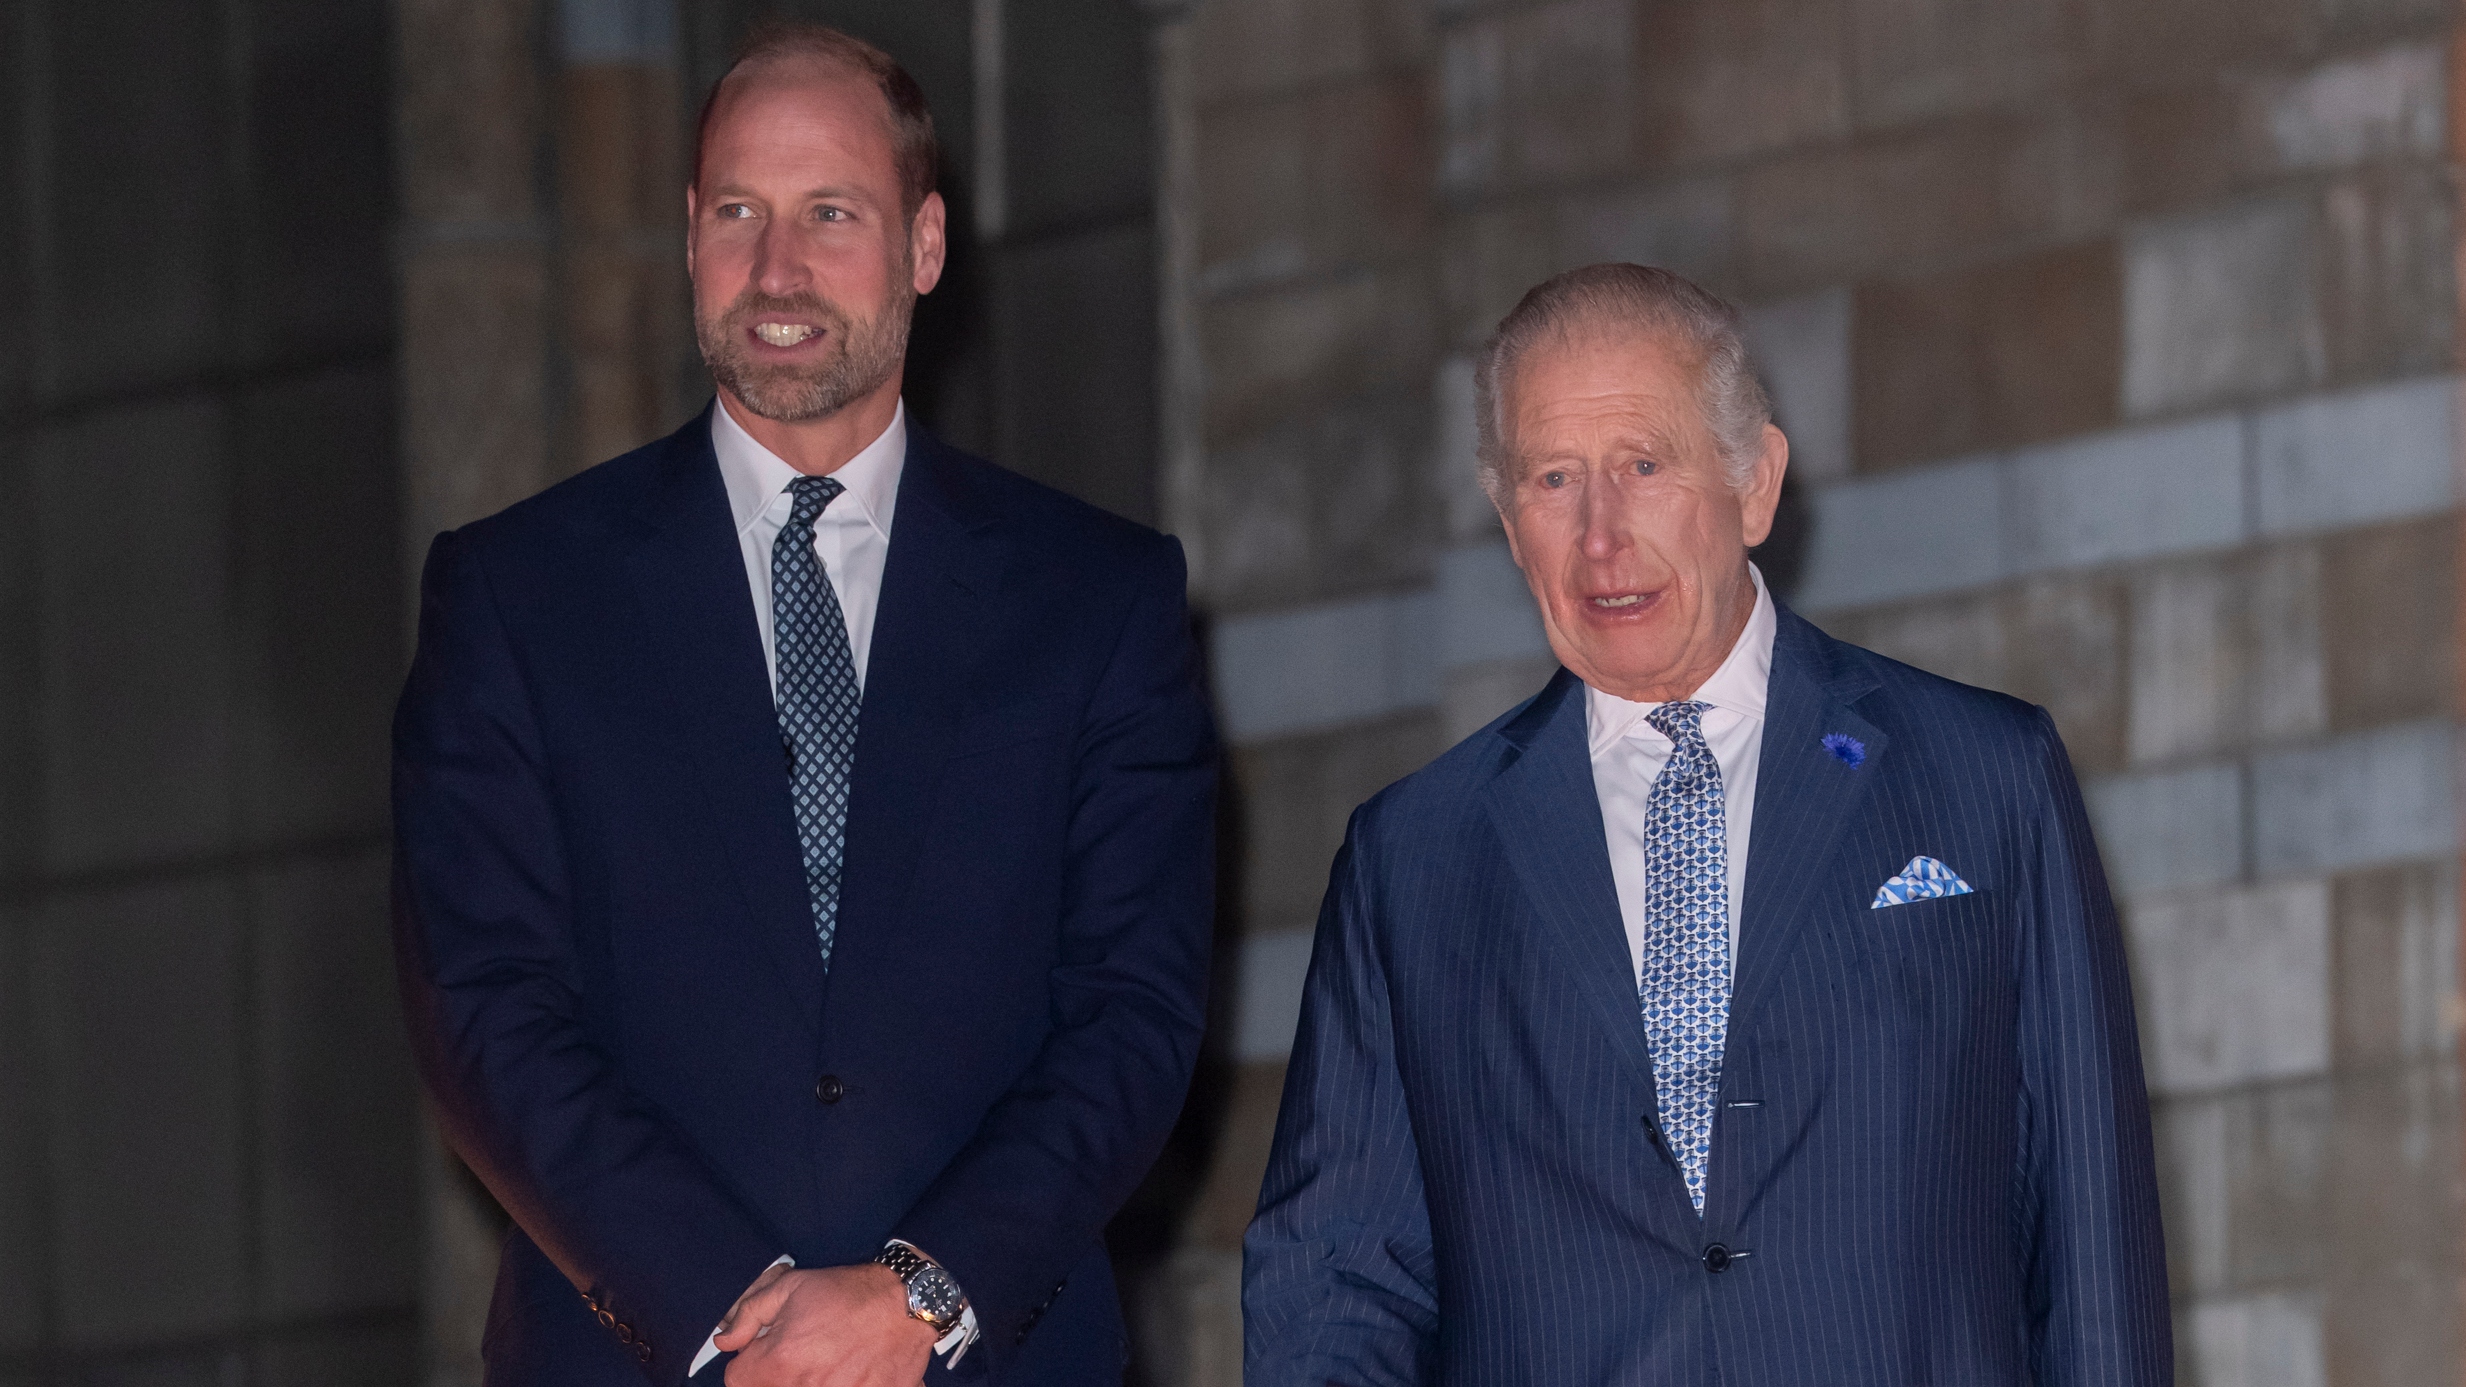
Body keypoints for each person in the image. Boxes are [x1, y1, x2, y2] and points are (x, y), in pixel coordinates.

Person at [392, 22, 1214, 1386]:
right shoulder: (516, 594)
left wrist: (915, 1295)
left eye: (830, 212)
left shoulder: (1098, 600)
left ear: (924, 245)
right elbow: (481, 1005)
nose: (776, 270)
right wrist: (726, 1304)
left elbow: (1132, 1012)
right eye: (736, 213)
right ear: (688, 236)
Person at [1242, 263, 2169, 1384]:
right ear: (1506, 519)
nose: (1601, 534)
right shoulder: (1414, 859)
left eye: (1644, 464)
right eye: (1553, 478)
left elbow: (2092, 1250)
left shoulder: (1986, 777)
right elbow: (1335, 1289)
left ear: (1758, 483)